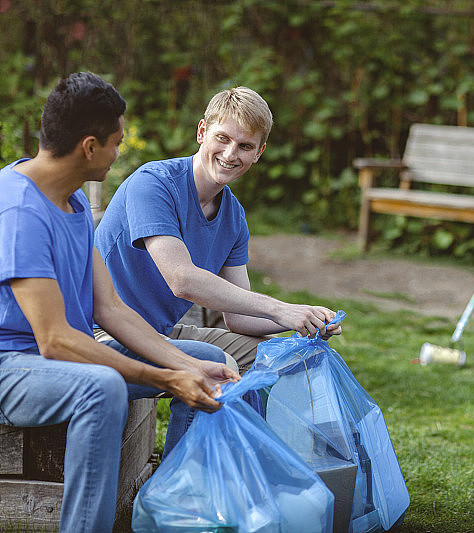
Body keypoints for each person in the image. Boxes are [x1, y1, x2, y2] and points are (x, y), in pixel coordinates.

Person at [0, 72, 239, 532]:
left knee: (204, 359)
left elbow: (110, 309)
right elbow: (55, 342)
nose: (118, 153)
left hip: (64, 358)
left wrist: (184, 367)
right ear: (90, 147)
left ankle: (172, 510)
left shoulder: (69, 201)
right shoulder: (19, 211)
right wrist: (164, 375)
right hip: (13, 367)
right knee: (102, 387)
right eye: (116, 143)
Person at [94, 86, 341, 374]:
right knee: (216, 361)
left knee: (284, 357)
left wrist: (302, 317)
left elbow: (237, 317)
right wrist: (279, 309)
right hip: (105, 331)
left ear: (259, 153)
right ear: (202, 132)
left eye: (245, 146)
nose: (230, 153)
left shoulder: (233, 217)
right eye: (222, 138)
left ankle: (242, 422)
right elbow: (181, 279)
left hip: (160, 333)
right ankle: (196, 418)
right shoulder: (153, 184)